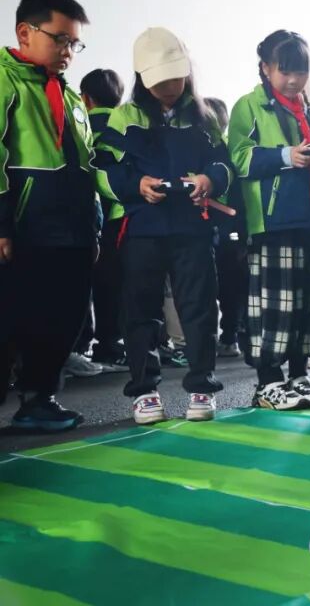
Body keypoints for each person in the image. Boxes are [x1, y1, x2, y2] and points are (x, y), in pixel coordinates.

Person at [94, 27, 231, 424]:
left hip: (193, 228)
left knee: (200, 308)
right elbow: (102, 169)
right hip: (143, 229)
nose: (170, 87)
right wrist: (136, 185)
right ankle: (144, 391)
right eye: (160, 81)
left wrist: (209, 180)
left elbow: (224, 165)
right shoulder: (125, 117)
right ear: (142, 78)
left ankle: (202, 386)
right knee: (140, 311)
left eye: (176, 78)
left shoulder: (204, 118)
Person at [0, 0, 96, 430]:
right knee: (10, 319)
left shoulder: (71, 97)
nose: (68, 51)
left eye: (74, 43)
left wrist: (94, 226)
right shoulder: (6, 82)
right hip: (22, 227)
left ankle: (39, 399)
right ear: (25, 32)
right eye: (60, 39)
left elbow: (87, 165)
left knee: (64, 315)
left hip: (72, 229)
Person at [228, 30, 310, 411]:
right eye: (284, 71)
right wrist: (285, 156)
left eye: (300, 71)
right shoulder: (249, 106)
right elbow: (238, 158)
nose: (293, 80)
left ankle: (299, 374)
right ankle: (268, 382)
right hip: (273, 222)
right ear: (265, 68)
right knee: (276, 305)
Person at [80, 68, 128, 371]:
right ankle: (111, 344)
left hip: (87, 214)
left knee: (87, 283)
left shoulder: (81, 122)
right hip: (122, 214)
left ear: (86, 98)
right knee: (116, 285)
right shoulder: (126, 122)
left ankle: (84, 346)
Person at [204, 97, 247, 360]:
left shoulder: (228, 151)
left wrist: (240, 235)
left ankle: (230, 336)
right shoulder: (211, 150)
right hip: (216, 230)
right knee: (226, 287)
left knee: (229, 287)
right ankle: (227, 336)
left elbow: (239, 198)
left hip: (225, 229)